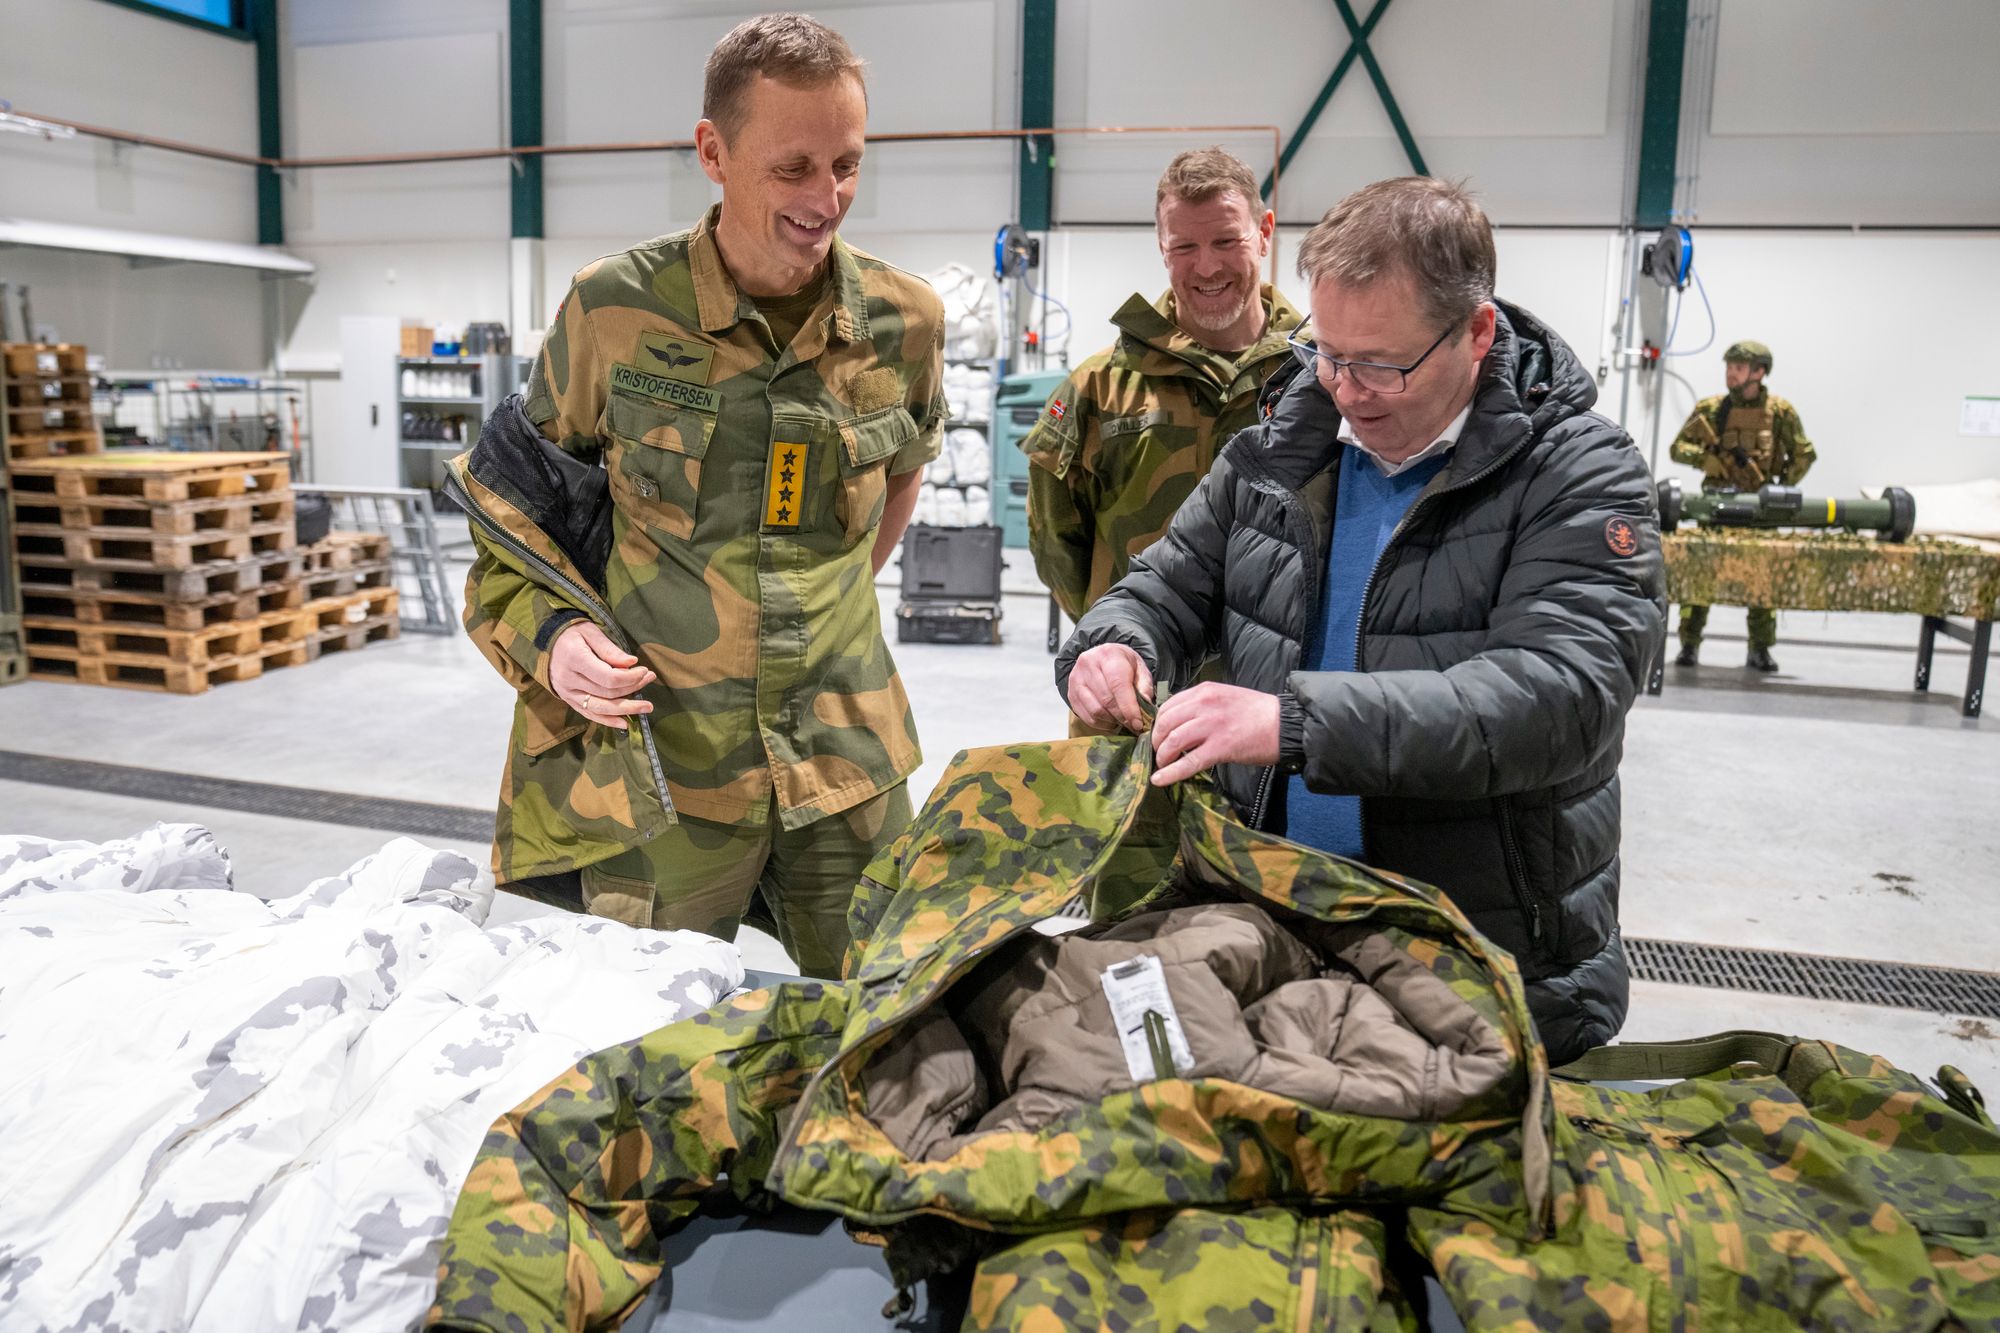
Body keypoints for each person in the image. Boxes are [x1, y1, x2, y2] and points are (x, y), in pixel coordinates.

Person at [1056, 177, 1666, 1065]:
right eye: (1329, 354)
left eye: (1382, 364)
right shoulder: (1280, 447)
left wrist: (1293, 722)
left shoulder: (1580, 475)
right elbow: (1162, 583)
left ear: (1477, 333)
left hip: (1477, 959)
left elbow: (1559, 698)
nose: (1348, 391)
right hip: (1274, 927)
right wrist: (1114, 643)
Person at [463, 13, 946, 978]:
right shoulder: (613, 312)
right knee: (643, 1049)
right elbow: (513, 530)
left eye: (848, 164)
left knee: (888, 1022)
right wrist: (557, 644)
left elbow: (899, 485)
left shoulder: (904, 321)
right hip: (667, 774)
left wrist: (817, 605)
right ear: (713, 152)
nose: (828, 197)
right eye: (794, 167)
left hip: (843, 758)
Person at [1022, 147, 1303, 622]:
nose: (1208, 267)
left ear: (1264, 234)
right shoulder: (1100, 387)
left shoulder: (1319, 378)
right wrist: (1116, 633)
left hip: (1272, 686)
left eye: (1226, 241)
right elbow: (1055, 544)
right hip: (1139, 679)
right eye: (1184, 247)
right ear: (1161, 248)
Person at [1667, 340, 1815, 672]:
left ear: (1759, 372)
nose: (1730, 374)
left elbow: (1805, 453)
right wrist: (1706, 460)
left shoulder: (1780, 412)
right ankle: (1689, 645)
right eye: (1729, 367)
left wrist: (1782, 489)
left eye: (1738, 368)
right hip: (1717, 504)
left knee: (1763, 582)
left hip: (1760, 509)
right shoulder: (1712, 409)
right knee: (1700, 578)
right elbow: (1677, 448)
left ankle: (1759, 649)